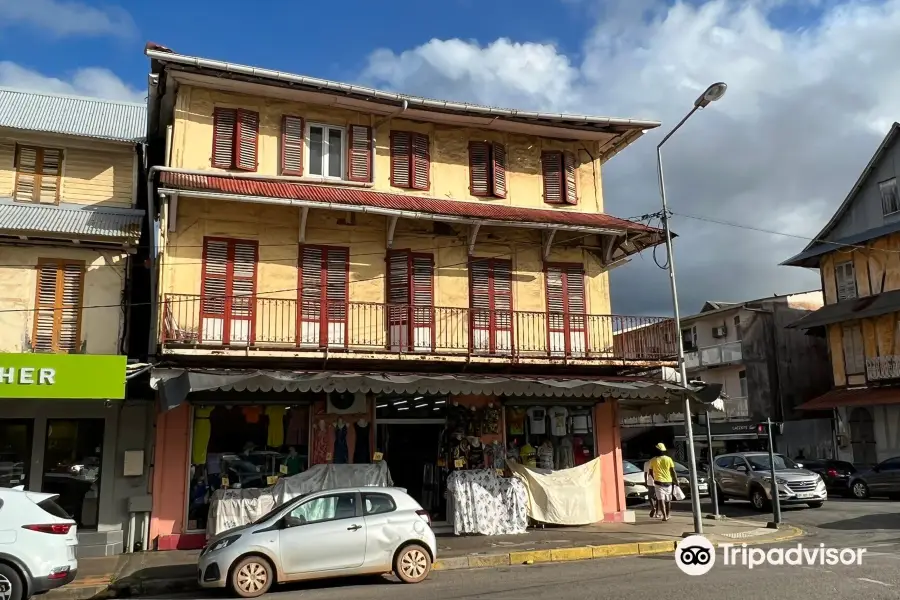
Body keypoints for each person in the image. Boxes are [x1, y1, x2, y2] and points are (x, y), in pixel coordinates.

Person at [649, 443, 678, 521]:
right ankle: (668, 515)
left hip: (658, 482)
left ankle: (664, 516)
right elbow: (673, 471)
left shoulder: (652, 460)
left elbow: (650, 472)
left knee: (660, 500)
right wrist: (676, 480)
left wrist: (654, 478)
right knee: (668, 500)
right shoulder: (668, 459)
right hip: (668, 482)